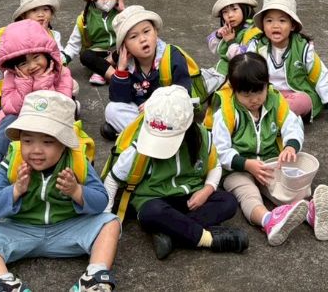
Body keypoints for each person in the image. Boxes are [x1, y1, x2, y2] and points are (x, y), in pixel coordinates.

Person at [0, 91, 120, 292]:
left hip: (67, 229)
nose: (36, 150)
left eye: (47, 142)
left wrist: (76, 191)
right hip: (21, 231)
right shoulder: (13, 162)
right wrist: (15, 190)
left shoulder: (77, 162)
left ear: (64, 143)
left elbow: (101, 201)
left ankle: (94, 278)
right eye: (27, 141)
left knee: (110, 223)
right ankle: (5, 283)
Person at [102, 85, 247, 260]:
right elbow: (113, 180)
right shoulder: (138, 146)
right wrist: (105, 220)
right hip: (154, 200)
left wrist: (207, 190)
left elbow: (214, 166)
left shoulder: (202, 137)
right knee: (151, 213)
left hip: (190, 197)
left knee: (228, 202)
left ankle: (171, 233)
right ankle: (207, 239)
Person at [212, 53, 328, 245]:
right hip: (236, 168)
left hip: (268, 162)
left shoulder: (275, 100)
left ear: (267, 84)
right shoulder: (226, 112)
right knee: (247, 193)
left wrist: (290, 146)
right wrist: (246, 164)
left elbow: (291, 125)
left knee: (285, 186)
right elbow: (220, 150)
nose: (254, 99)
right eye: (246, 95)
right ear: (234, 90)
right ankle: (269, 220)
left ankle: (311, 212)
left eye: (258, 92)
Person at [0, 20, 76, 198]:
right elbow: (9, 106)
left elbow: (62, 105)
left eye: (37, 57)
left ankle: (64, 167)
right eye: (23, 63)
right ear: (14, 66)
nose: (32, 66)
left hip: (50, 119)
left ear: (48, 54)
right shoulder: (12, 77)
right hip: (20, 117)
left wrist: (42, 84)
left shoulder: (61, 73)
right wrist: (24, 86)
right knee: (8, 120)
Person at [243, 0, 328, 124]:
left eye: (282, 21)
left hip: (295, 94)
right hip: (265, 94)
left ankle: (267, 118)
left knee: (301, 101)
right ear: (263, 25)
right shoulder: (256, 46)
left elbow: (320, 76)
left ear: (293, 25)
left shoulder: (303, 48)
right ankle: (276, 118)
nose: (275, 25)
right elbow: (245, 72)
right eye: (269, 21)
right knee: (243, 99)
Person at [102, 5, 195, 140]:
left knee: (182, 118)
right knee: (112, 109)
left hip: (168, 113)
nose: (142, 39)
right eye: (133, 36)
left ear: (156, 32)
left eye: (146, 31)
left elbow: (183, 93)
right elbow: (120, 99)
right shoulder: (128, 65)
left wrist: (154, 104)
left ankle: (138, 137)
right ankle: (149, 138)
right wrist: (121, 70)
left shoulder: (172, 56)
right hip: (142, 114)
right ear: (125, 46)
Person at [63, 0, 128, 86]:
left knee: (130, 47)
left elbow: (135, 30)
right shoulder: (84, 19)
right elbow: (73, 45)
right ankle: (115, 76)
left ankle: (102, 71)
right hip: (98, 53)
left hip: (119, 52)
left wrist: (123, 11)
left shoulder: (121, 13)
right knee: (86, 56)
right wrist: (61, 62)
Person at [206, 0, 257, 78]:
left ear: (245, 9)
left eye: (234, 9)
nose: (230, 15)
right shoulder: (230, 29)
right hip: (219, 71)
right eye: (225, 12)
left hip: (235, 77)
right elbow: (213, 48)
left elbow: (242, 61)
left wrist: (230, 41)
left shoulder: (252, 32)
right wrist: (218, 35)